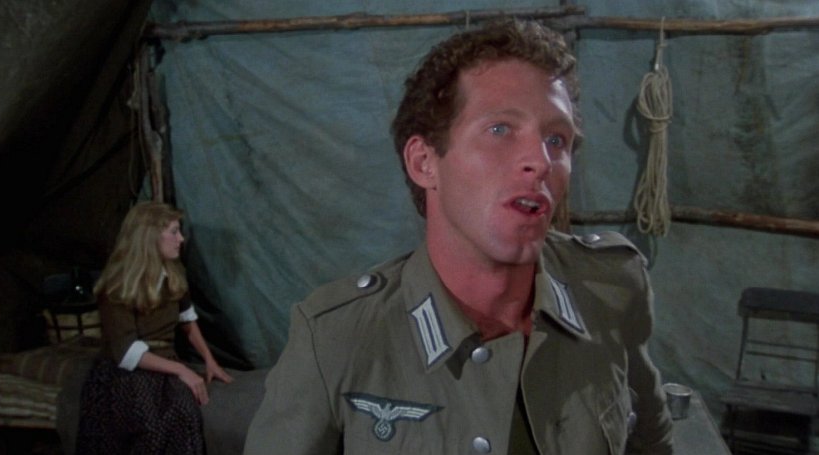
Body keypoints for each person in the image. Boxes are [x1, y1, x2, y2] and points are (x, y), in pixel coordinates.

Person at [244, 19, 673, 454]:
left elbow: (651, 440)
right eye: (500, 129)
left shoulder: (609, 288)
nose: (541, 161)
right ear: (424, 163)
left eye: (557, 139)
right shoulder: (338, 339)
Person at [76, 201, 233, 454]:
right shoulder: (117, 286)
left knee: (184, 411)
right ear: (149, 237)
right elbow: (126, 352)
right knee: (147, 416)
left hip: (165, 361)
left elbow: (187, 320)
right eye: (173, 232)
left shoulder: (173, 275)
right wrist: (182, 369)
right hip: (127, 370)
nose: (180, 239)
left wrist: (209, 360)